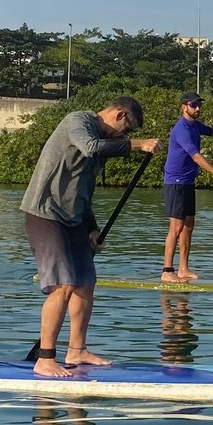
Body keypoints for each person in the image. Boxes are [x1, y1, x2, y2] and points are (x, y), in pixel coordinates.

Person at [21, 98, 161, 378]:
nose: (123, 135)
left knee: (85, 283)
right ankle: (45, 358)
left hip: (75, 220)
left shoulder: (102, 142)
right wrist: (138, 144)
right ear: (119, 114)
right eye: (126, 128)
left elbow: (83, 193)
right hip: (45, 213)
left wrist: (92, 229)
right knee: (63, 286)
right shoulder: (79, 121)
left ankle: (77, 350)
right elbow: (91, 147)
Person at [162, 94, 213, 282]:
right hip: (175, 181)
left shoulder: (195, 125)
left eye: (199, 105)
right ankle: (167, 271)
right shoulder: (182, 129)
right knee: (175, 227)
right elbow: (196, 157)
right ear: (184, 107)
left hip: (188, 182)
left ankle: (183, 269)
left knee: (188, 225)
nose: (198, 108)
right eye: (194, 105)